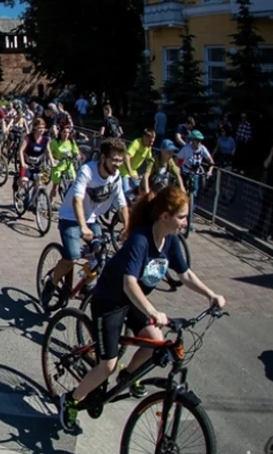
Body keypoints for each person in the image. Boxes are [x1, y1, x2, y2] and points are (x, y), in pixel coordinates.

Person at [58, 186, 227, 432]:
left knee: (155, 342)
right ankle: (70, 401)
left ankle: (129, 375)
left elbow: (185, 274)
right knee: (107, 364)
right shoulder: (141, 239)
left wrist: (210, 295)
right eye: (182, 217)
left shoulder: (170, 241)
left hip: (134, 302)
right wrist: (151, 312)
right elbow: (129, 283)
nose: (185, 222)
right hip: (110, 302)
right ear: (165, 217)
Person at [42, 138, 129, 306]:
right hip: (70, 217)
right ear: (103, 158)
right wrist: (82, 226)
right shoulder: (87, 171)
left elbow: (122, 204)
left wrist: (127, 227)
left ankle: (84, 286)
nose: (117, 164)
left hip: (91, 219)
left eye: (120, 160)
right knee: (72, 257)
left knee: (100, 255)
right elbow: (77, 200)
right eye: (114, 160)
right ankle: (51, 282)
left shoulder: (116, 176)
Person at [122, 129, 156, 198]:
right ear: (145, 137)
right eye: (150, 141)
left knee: (140, 190)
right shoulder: (136, 143)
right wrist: (130, 173)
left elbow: (149, 160)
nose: (151, 143)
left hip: (134, 171)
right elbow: (126, 157)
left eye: (153, 141)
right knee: (127, 193)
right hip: (124, 171)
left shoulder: (148, 147)